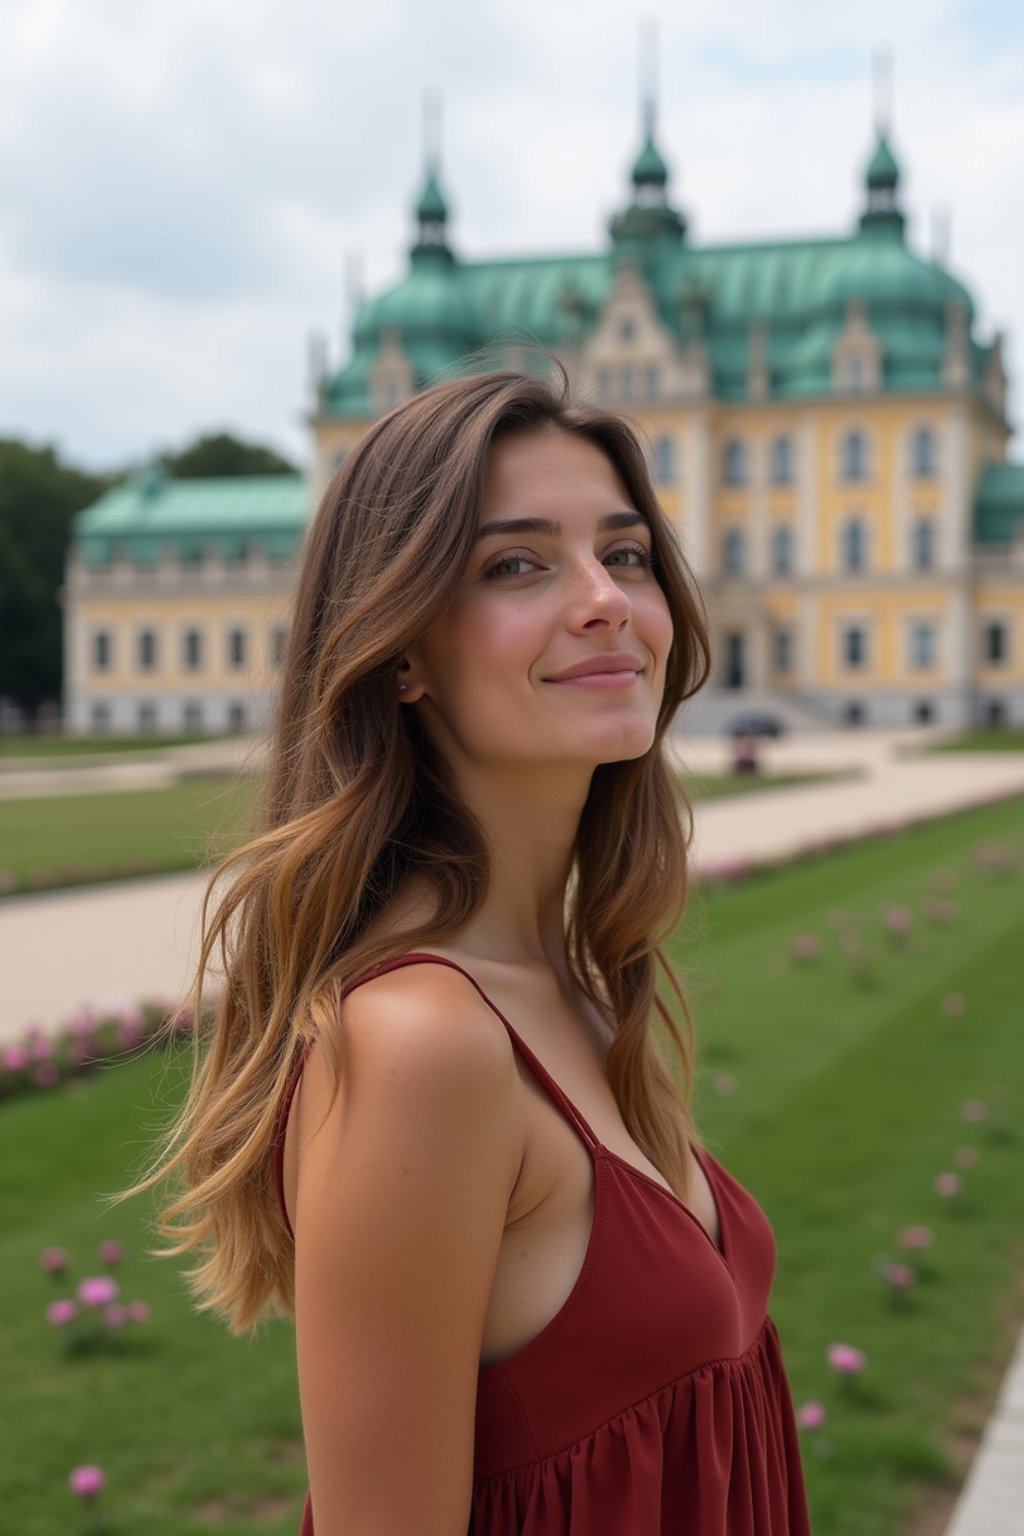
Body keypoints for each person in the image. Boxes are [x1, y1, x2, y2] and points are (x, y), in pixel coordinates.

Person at [142, 369, 812, 1534]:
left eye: (628, 553)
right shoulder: (423, 1044)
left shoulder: (577, 984)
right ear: (400, 654)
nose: (606, 599)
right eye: (516, 565)